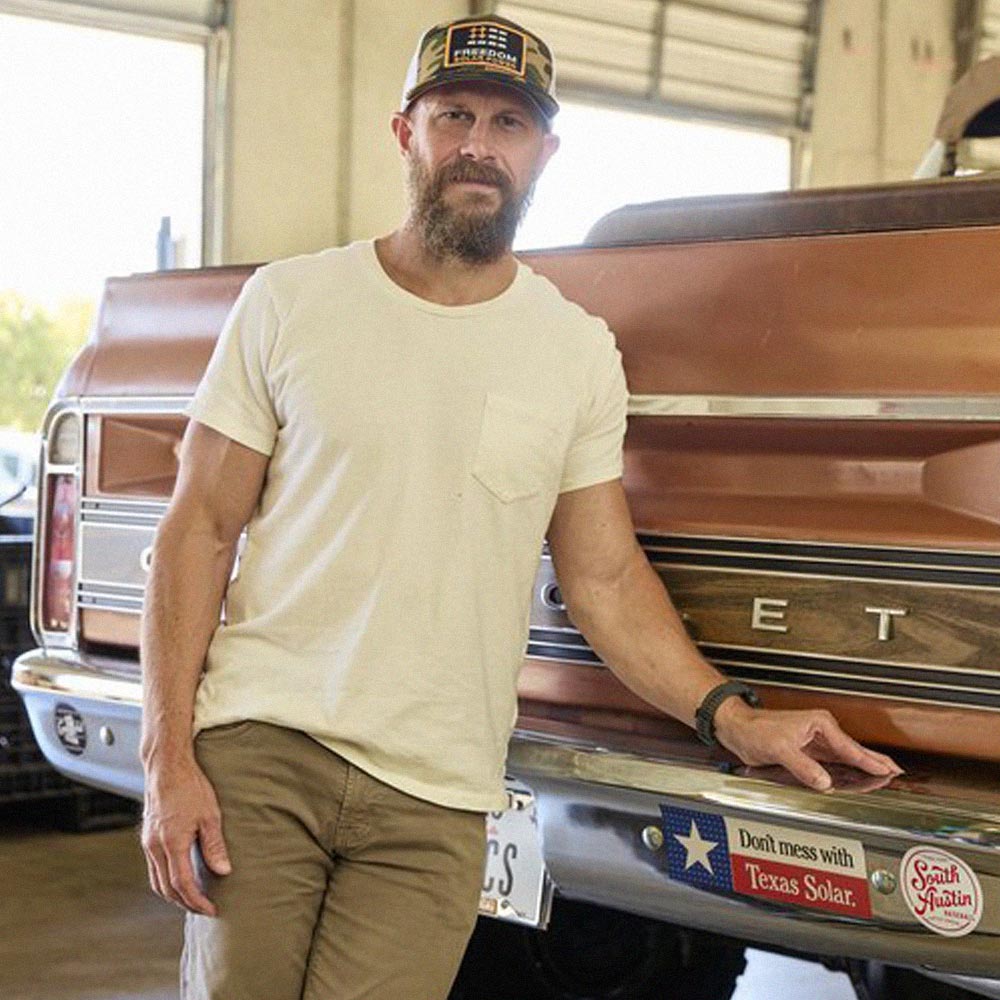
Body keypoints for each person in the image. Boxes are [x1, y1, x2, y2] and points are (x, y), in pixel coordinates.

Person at [139, 13, 902, 1000]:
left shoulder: (572, 349)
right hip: (263, 753)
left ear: (543, 151)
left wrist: (737, 718)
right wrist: (169, 761)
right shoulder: (291, 303)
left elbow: (604, 575)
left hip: (436, 796)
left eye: (507, 124)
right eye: (452, 112)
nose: (476, 145)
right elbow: (196, 529)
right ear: (404, 132)